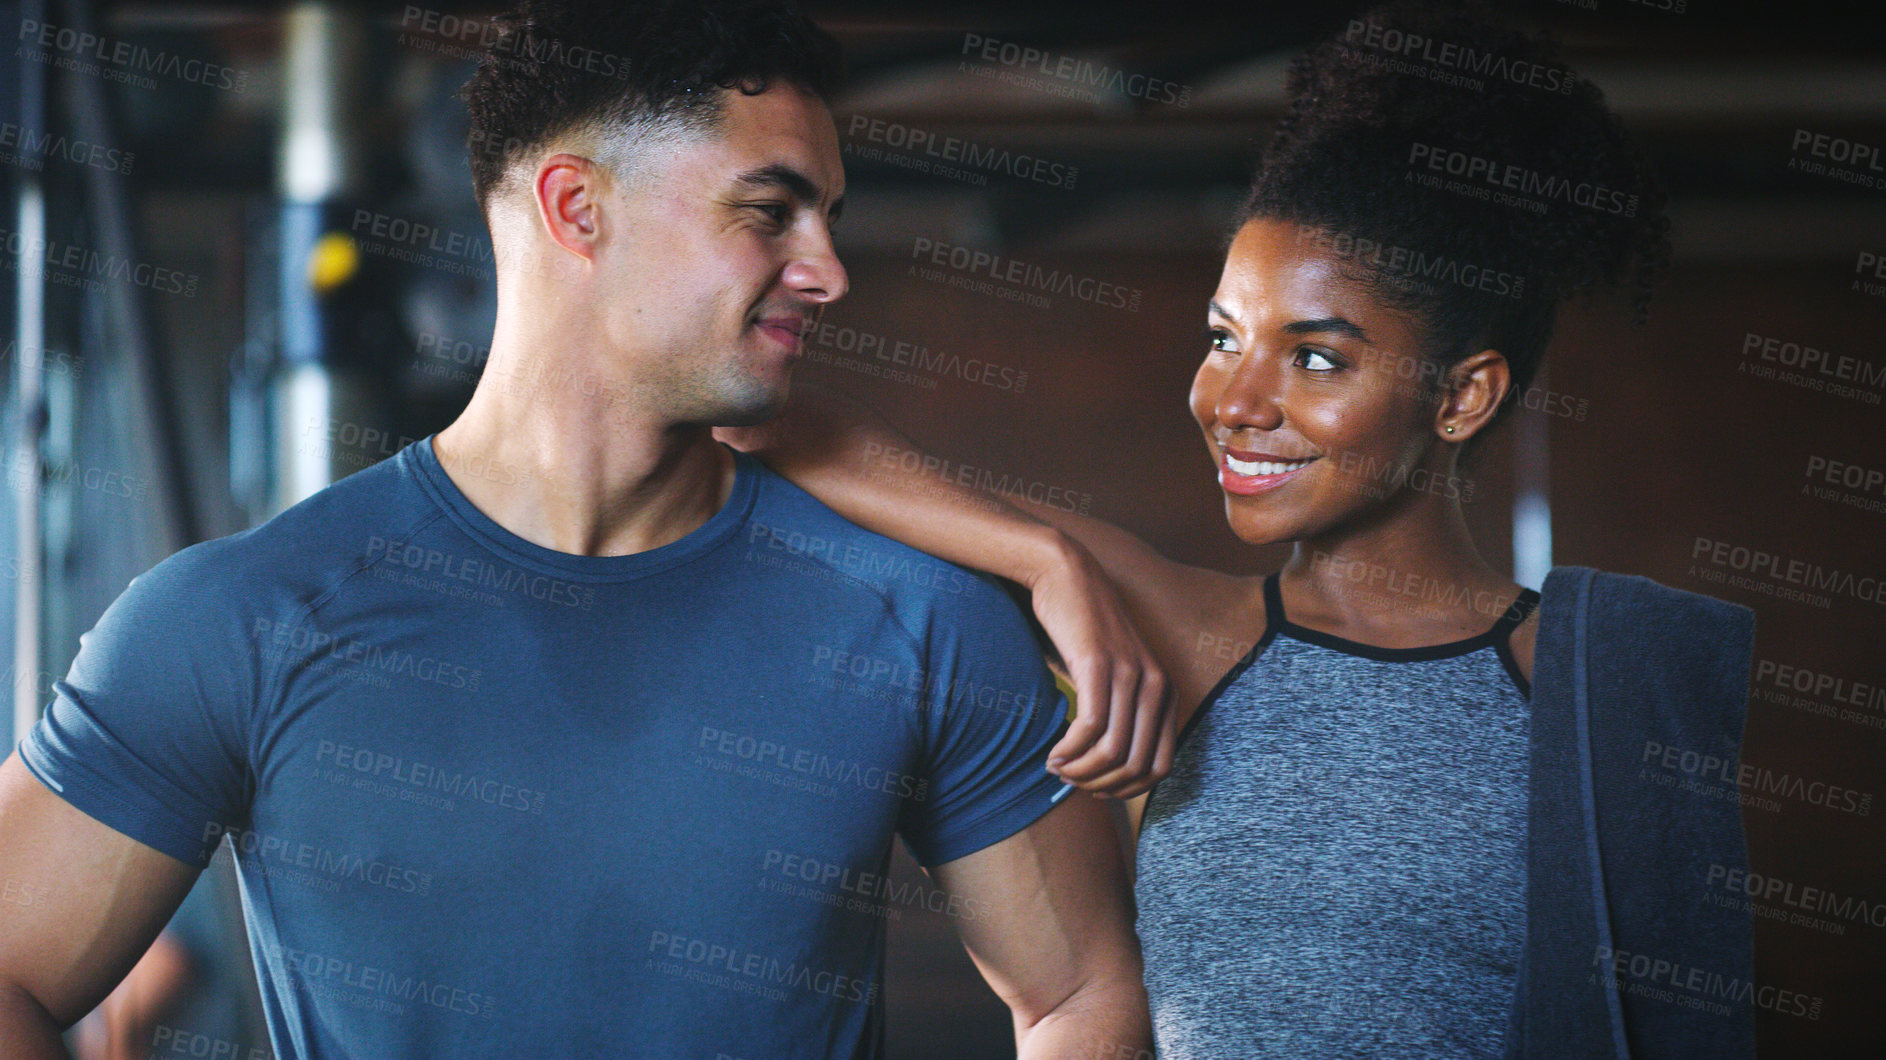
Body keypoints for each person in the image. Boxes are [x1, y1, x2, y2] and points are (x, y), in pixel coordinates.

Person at [0, 2, 1157, 1058]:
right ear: (576, 208)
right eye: (770, 212)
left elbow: (1080, 996)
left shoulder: (918, 614)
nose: (829, 271)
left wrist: (1037, 552)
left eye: (829, 218)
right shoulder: (237, 619)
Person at [718, 3, 1756, 1056]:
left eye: (1313, 357)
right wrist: (1047, 560)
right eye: (1223, 338)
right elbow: (771, 426)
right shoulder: (1182, 631)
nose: (1233, 399)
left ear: (1462, 396)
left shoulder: (1592, 679)